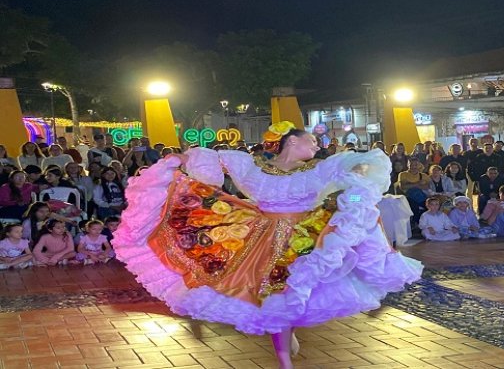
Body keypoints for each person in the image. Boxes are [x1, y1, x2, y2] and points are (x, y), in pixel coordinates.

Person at [112, 121, 422, 369]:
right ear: (291, 142)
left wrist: (354, 203)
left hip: (306, 236)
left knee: (296, 292)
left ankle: (287, 336)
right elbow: (215, 158)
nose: (316, 146)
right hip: (259, 236)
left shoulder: (321, 169)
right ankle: (284, 356)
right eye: (309, 141)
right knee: (270, 295)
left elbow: (360, 178)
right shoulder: (251, 167)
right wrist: (184, 158)